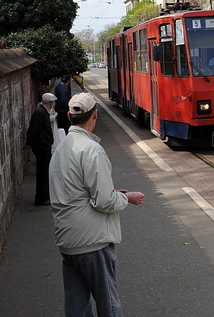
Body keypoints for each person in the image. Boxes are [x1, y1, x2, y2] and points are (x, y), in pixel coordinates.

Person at [49, 92, 144, 317]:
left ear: (69, 116)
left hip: (67, 240)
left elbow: (73, 190)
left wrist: (112, 193)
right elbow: (103, 201)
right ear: (95, 115)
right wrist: (127, 198)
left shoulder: (60, 149)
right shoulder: (92, 150)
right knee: (108, 304)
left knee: (77, 306)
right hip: (92, 241)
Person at [26, 92, 56, 206]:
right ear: (50, 102)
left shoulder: (42, 112)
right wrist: (29, 142)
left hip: (44, 145)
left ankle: (44, 196)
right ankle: (41, 198)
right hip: (42, 146)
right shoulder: (40, 113)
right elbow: (33, 129)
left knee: (44, 172)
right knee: (43, 173)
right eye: (53, 102)